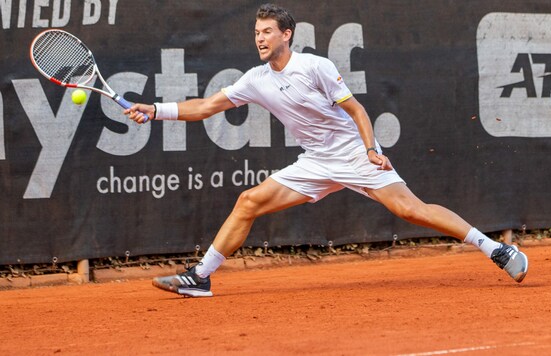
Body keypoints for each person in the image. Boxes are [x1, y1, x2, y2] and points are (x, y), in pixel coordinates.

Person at [126, 3, 528, 297]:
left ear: (286, 35)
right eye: (256, 33)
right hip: (316, 162)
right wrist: (156, 110)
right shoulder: (255, 79)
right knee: (248, 201)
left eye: (267, 31)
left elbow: (357, 110)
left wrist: (371, 149)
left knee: (410, 210)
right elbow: (207, 106)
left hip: (353, 152)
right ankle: (200, 277)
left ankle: (496, 249)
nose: (260, 38)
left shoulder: (314, 67)